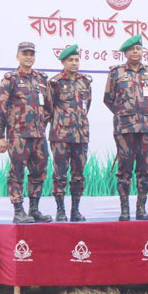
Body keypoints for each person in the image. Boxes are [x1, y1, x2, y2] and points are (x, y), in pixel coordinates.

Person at [103, 34, 148, 221]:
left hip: (146, 127)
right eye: (132, 50)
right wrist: (123, 113)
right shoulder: (116, 73)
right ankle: (125, 209)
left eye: (138, 49)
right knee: (124, 170)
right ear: (125, 53)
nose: (135, 52)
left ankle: (141, 208)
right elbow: (108, 98)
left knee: (145, 169)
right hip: (124, 128)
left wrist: (143, 112)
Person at [0, 42, 53, 223]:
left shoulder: (41, 79)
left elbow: (48, 107)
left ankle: (34, 209)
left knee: (39, 172)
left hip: (38, 135)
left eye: (31, 54)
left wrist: (41, 125)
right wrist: (1, 137)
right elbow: (0, 109)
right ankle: (18, 210)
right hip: (18, 135)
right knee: (17, 172)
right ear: (17, 56)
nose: (29, 57)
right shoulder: (10, 79)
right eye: (25, 54)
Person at [44, 44, 92, 222]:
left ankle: (75, 210)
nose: (74, 63)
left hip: (81, 135)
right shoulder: (55, 83)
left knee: (78, 174)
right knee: (60, 175)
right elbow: (48, 109)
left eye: (76, 60)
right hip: (60, 136)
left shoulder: (85, 81)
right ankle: (60, 210)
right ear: (63, 62)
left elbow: (87, 105)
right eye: (70, 60)